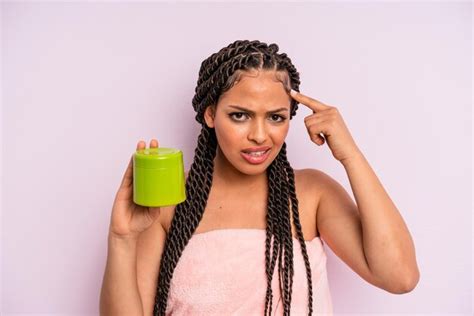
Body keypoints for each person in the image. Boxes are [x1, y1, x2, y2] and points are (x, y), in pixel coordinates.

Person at [100, 39, 420, 316]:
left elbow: (400, 277)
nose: (259, 136)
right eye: (240, 115)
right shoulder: (171, 198)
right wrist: (122, 240)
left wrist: (350, 155)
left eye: (276, 117)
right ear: (210, 115)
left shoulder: (312, 194)